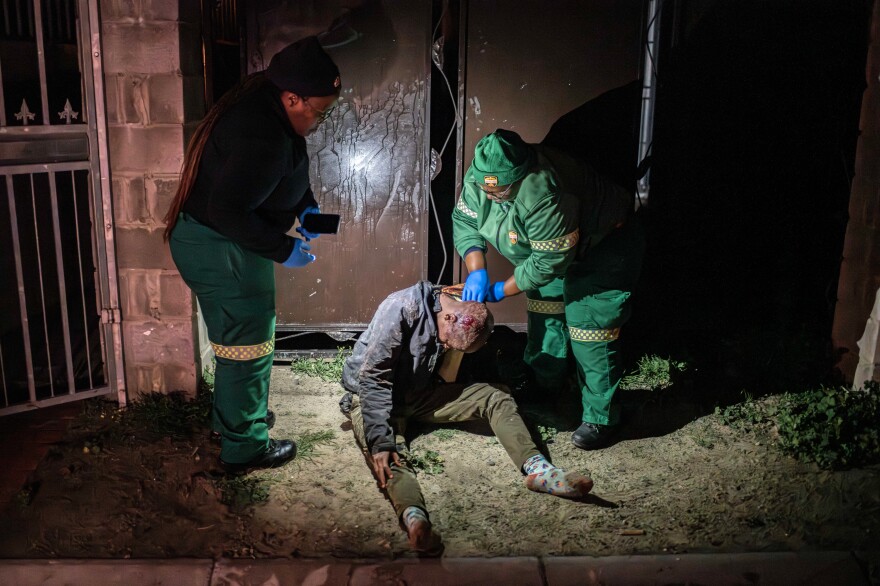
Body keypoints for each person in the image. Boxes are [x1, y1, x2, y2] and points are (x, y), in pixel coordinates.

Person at [162, 36, 341, 474]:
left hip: (229, 243)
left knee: (241, 342)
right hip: (222, 246)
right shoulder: (262, 132)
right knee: (247, 347)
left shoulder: (271, 111)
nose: (320, 121)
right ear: (292, 97)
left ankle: (236, 419)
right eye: (320, 112)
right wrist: (284, 249)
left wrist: (305, 207)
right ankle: (244, 447)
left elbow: (289, 169)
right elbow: (227, 210)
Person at [339, 281, 593, 553]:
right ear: (449, 318)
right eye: (447, 342)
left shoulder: (458, 303)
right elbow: (373, 378)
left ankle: (539, 471)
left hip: (420, 393)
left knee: (495, 396)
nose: (446, 347)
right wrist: (380, 440)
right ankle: (415, 520)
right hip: (374, 397)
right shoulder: (402, 307)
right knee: (388, 454)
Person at [452, 129, 645, 451]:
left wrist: (502, 289)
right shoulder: (480, 178)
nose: (491, 195)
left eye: (500, 190)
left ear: (518, 176)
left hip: (602, 247)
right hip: (549, 251)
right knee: (545, 315)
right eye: (487, 189)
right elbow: (465, 221)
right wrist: (477, 270)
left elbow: (548, 262)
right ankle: (546, 387)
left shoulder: (545, 190)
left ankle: (601, 417)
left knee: (589, 328)